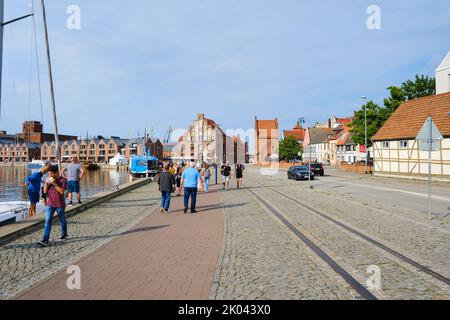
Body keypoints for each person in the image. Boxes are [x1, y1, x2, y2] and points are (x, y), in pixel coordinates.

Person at [37, 166, 68, 247]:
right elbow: (44, 192)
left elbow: (62, 192)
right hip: (49, 204)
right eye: (48, 173)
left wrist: (54, 183)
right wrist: (47, 184)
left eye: (51, 173)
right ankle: (45, 240)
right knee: (48, 221)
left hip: (60, 204)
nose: (49, 174)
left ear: (56, 173)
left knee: (62, 220)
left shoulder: (63, 180)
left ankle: (64, 234)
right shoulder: (48, 179)